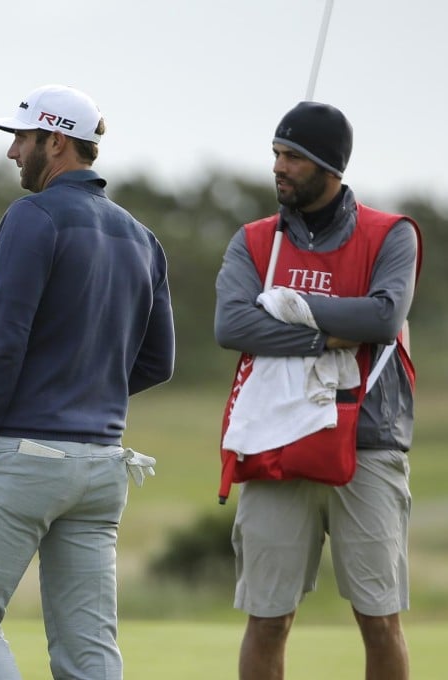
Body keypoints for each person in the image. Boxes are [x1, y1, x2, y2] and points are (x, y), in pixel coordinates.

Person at [0, 84, 175, 680]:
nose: (13, 152)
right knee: (87, 648)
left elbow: (2, 338)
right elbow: (158, 361)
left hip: (22, 454)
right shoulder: (143, 238)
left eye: (21, 137)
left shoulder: (32, 216)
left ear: (56, 141)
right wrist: (91, 394)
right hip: (103, 466)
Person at [214, 101, 421, 680]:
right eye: (276, 154)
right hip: (275, 439)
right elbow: (232, 325)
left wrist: (289, 310)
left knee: (379, 618)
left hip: (370, 444)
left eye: (294, 158)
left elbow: (382, 319)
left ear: (331, 167)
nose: (279, 167)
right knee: (268, 616)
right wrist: (324, 336)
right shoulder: (254, 241)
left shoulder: (391, 235)